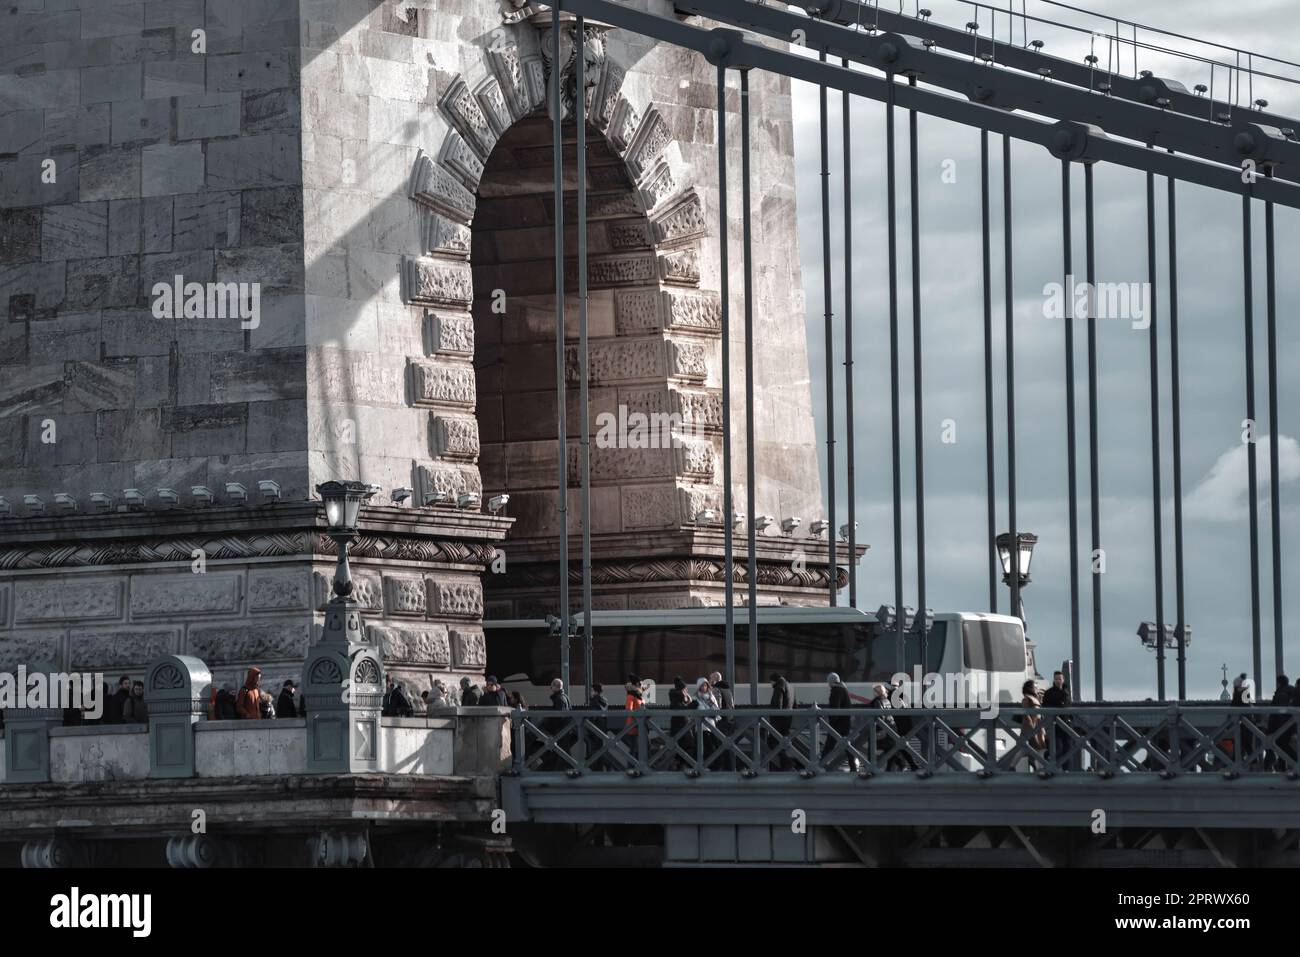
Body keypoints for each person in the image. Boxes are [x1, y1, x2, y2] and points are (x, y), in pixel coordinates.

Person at [822, 672, 855, 770]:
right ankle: (853, 767)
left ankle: (820, 765)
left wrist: (832, 721)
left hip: (838, 723)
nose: (828, 684)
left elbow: (835, 708)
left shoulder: (836, 691)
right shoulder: (843, 689)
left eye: (828, 682)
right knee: (847, 745)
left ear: (831, 682)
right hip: (845, 722)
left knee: (829, 745)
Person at [1041, 670, 1073, 770]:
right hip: (1055, 724)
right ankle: (1053, 766)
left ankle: (1065, 769)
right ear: (1054, 680)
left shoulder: (1066, 692)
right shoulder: (1049, 693)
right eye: (1056, 679)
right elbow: (1045, 707)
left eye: (1059, 679)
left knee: (1067, 748)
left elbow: (1069, 707)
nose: (1058, 681)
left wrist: (1070, 718)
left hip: (1066, 724)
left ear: (1063, 680)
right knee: (1057, 747)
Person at [709, 671, 736, 770]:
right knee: (728, 745)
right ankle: (731, 768)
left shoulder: (716, 689)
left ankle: (722, 768)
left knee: (721, 745)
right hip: (730, 719)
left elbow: (717, 707)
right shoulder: (727, 688)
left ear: (715, 679)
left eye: (710, 678)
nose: (709, 680)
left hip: (722, 721)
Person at [768, 673, 796, 770]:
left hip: (778, 721)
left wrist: (774, 716)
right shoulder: (791, 687)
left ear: (774, 680)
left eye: (770, 682)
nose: (770, 684)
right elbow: (794, 704)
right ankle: (784, 764)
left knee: (772, 741)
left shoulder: (779, 687)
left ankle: (786, 762)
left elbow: (777, 704)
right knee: (782, 743)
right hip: (788, 719)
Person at [1018, 680, 1046, 764]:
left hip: (1038, 725)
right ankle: (1012, 766)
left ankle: (1040, 766)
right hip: (1031, 725)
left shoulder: (1034, 698)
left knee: (1040, 747)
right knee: (1027, 748)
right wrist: (1030, 725)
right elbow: (1026, 713)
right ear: (1030, 688)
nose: (1037, 689)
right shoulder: (1027, 698)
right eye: (1035, 687)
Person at [668, 676, 692, 767]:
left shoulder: (680, 699)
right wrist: (689, 706)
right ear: (682, 690)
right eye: (685, 689)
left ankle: (680, 765)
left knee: (684, 747)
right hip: (679, 727)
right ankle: (679, 766)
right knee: (682, 747)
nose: (687, 691)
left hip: (683, 726)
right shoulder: (676, 699)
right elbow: (679, 709)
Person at [586, 682, 609, 770]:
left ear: (595, 691)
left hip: (595, 728)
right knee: (600, 749)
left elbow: (592, 716)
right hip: (603, 728)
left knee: (594, 750)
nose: (590, 692)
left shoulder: (594, 702)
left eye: (592, 690)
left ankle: (596, 768)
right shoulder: (604, 701)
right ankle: (604, 766)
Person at [624, 674, 645, 763]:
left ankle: (638, 765)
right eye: (640, 683)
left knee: (639, 747)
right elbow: (629, 710)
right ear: (637, 684)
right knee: (634, 747)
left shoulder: (638, 695)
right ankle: (631, 766)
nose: (642, 685)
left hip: (640, 725)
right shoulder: (631, 696)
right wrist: (638, 717)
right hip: (634, 725)